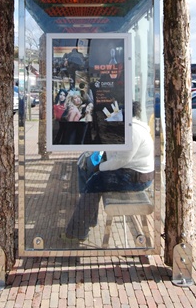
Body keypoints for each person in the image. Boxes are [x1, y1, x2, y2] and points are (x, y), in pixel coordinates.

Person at [63, 101, 154, 241]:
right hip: (133, 172)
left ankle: (78, 230)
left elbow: (120, 160)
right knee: (90, 173)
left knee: (95, 182)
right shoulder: (130, 127)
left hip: (137, 178)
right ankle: (86, 221)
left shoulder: (132, 131)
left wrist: (100, 167)